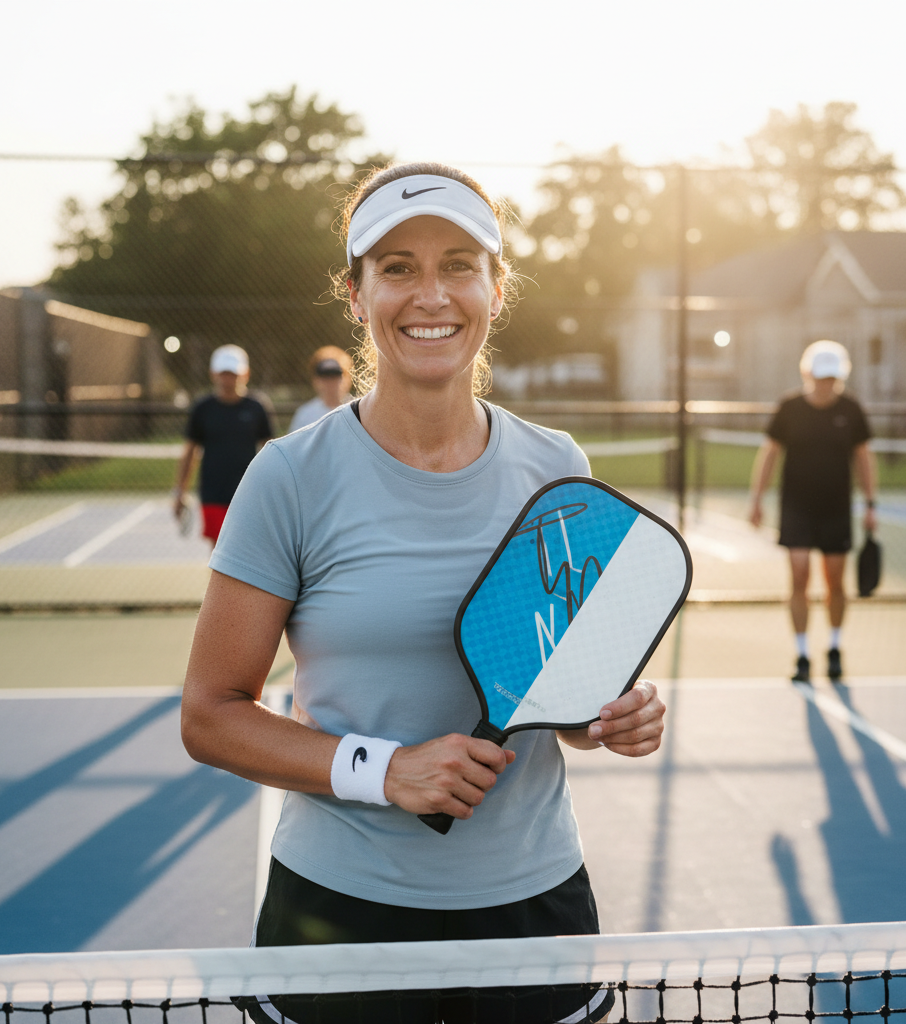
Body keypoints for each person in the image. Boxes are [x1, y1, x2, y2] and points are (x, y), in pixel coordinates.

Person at [180, 162, 666, 1024]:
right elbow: (211, 713)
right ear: (357, 296)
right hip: (337, 915)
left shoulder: (560, 469)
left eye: (458, 264)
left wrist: (602, 718)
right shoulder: (288, 477)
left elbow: (558, 690)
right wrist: (386, 771)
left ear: (495, 288)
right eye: (397, 266)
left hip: (534, 908)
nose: (430, 293)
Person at [748, 340, 878, 684]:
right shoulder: (790, 408)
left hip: (836, 510)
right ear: (808, 375)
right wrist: (757, 499)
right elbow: (770, 454)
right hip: (796, 509)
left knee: (835, 581)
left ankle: (834, 647)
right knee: (800, 577)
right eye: (821, 377)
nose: (826, 384)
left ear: (840, 377)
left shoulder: (851, 410)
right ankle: (802, 654)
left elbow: (864, 458)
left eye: (832, 378)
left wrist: (870, 504)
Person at [173, 344, 275, 547]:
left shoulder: (257, 407)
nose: (228, 379)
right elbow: (190, 452)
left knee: (250, 550)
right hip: (213, 493)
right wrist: (180, 492)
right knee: (218, 552)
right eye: (224, 374)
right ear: (213, 374)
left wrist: (273, 491)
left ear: (245, 374)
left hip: (249, 493)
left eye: (233, 374)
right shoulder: (203, 408)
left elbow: (270, 452)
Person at [288, 346, 353, 432]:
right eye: (325, 377)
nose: (330, 383)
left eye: (335, 376)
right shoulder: (305, 414)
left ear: (347, 377)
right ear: (315, 380)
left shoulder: (357, 410)